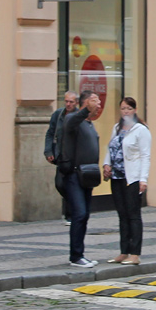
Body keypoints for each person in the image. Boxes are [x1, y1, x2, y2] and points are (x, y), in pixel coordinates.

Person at [102, 97, 151, 265]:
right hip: (117, 176)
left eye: (129, 108)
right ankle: (123, 251)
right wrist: (106, 164)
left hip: (132, 177)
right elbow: (111, 148)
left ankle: (135, 253)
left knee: (133, 215)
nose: (125, 112)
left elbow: (146, 156)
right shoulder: (117, 128)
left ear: (135, 110)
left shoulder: (140, 130)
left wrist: (143, 179)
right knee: (122, 214)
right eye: (123, 108)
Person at [60, 90, 102, 267]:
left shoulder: (90, 124)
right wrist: (85, 110)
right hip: (74, 176)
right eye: (94, 100)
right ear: (85, 103)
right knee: (79, 213)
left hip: (88, 176)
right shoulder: (73, 119)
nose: (98, 103)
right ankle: (76, 256)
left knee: (84, 216)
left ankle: (80, 253)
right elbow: (72, 121)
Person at [44, 90, 78, 225]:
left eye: (71, 102)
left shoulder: (78, 116)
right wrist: (48, 151)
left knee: (70, 184)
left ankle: (70, 216)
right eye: (66, 101)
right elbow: (50, 133)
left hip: (74, 158)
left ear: (76, 103)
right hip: (60, 156)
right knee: (60, 184)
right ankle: (74, 207)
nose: (68, 104)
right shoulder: (58, 115)